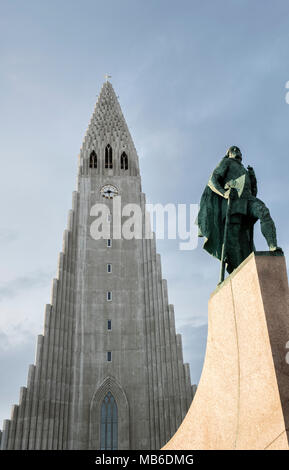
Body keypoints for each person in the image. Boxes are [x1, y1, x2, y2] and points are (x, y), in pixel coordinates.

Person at [197, 146, 281, 274]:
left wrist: (253, 180)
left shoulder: (244, 169)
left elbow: (253, 193)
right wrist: (223, 193)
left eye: (239, 150)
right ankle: (238, 269)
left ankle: (273, 246)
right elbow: (212, 180)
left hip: (248, 200)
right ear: (229, 154)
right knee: (234, 237)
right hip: (234, 203)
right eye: (233, 150)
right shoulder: (226, 162)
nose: (237, 152)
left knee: (264, 212)